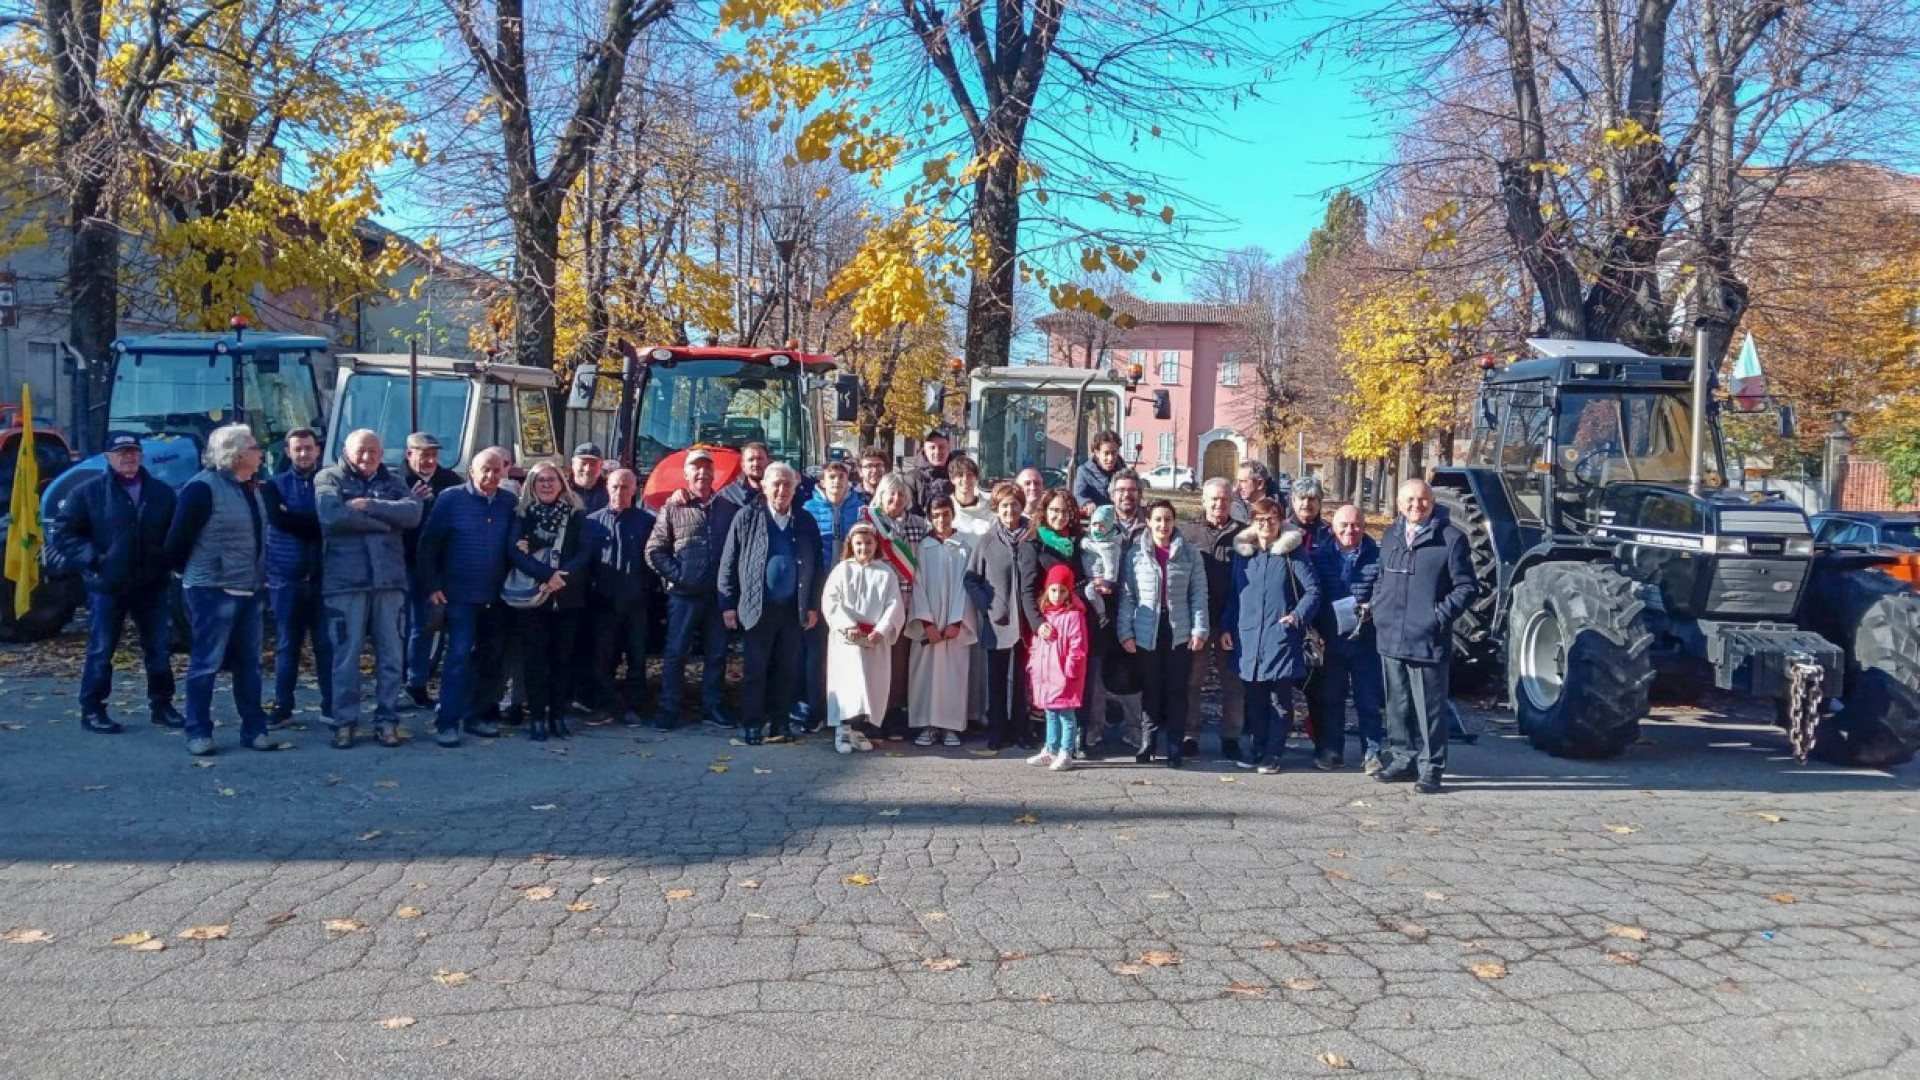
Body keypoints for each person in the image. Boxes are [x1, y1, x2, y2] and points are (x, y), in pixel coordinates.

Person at [47, 432, 180, 734]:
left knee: (159, 648)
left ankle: (162, 706)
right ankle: (92, 710)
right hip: (107, 585)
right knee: (102, 649)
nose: (128, 457)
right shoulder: (87, 493)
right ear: (108, 457)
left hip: (151, 585)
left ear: (142, 456)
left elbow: (177, 533)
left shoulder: (161, 493)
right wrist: (95, 558)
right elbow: (63, 534)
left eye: (133, 451)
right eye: (121, 452)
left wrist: (169, 562)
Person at [164, 424, 278, 756]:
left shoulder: (251, 487)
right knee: (206, 663)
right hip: (212, 591)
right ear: (237, 453)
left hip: (250, 588)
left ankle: (254, 729)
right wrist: (198, 575)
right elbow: (176, 543)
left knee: (250, 665)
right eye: (255, 447)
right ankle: (198, 731)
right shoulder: (201, 489)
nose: (260, 453)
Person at [316, 429, 422, 749]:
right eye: (361, 451)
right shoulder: (328, 478)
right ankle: (344, 721)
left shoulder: (392, 481)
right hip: (345, 582)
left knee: (391, 655)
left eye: (374, 451)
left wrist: (370, 505)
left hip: (389, 581)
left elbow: (414, 512)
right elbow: (332, 515)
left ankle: (387, 719)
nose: (368, 457)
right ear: (346, 451)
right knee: (346, 657)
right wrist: (387, 520)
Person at [1372, 479, 1479, 794]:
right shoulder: (1391, 536)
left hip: (1426, 639)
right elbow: (1381, 577)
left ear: (1432, 503)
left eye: (1422, 500)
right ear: (1399, 503)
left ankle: (1431, 767)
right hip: (1390, 635)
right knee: (1397, 705)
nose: (1416, 505)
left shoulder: (1450, 539)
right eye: (1409, 500)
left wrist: (1438, 616)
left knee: (1429, 709)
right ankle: (1402, 758)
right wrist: (1379, 608)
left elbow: (1467, 587)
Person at [415, 448, 518, 747]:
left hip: (495, 597)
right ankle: (447, 721)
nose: (490, 476)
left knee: (489, 659)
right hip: (458, 594)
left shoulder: (508, 502)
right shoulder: (450, 499)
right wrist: (433, 585)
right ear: (471, 471)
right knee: (457, 657)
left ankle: (476, 717)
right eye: (485, 469)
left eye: (497, 470)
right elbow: (428, 545)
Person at [719, 462, 823, 745]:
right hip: (756, 609)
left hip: (792, 610)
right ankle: (753, 724)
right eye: (776, 483)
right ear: (764, 486)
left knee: (786, 671)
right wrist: (727, 603)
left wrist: (813, 605)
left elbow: (817, 567)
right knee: (755, 670)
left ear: (795, 488)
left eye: (787, 484)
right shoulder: (746, 517)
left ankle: (780, 723)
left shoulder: (805, 521)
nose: (781, 489)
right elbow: (728, 562)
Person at [1222, 498, 1321, 773]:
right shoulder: (1243, 557)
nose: (1266, 524)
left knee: (1279, 701)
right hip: (1248, 637)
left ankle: (1273, 753)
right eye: (1260, 519)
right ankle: (1257, 748)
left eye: (1272, 519)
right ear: (1252, 523)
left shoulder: (1293, 554)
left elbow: (1313, 591)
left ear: (1280, 521)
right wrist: (1227, 627)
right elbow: (1234, 596)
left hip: (1280, 636)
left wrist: (1297, 617)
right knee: (1254, 698)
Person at [645, 448, 741, 730]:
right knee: (676, 652)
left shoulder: (728, 510)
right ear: (687, 474)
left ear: (714, 474)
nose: (702, 473)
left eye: (706, 469)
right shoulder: (673, 508)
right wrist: (680, 576)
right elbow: (654, 550)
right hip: (684, 595)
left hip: (718, 596)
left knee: (717, 654)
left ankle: (712, 707)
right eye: (696, 469)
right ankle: (669, 708)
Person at [1118, 499, 1207, 767]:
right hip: (1147, 629)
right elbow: (1128, 596)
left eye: (1168, 519)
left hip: (1178, 630)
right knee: (1151, 688)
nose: (1163, 525)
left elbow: (1198, 594)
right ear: (1148, 521)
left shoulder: (1190, 554)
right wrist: (1125, 631)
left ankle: (1174, 745)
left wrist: (1199, 629)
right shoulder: (1135, 554)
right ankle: (1148, 742)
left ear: (1174, 522)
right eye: (1158, 519)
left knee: (1177, 689)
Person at [259, 428, 331, 727]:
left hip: (323, 577)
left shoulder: (329, 483)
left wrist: (297, 519)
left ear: (317, 450)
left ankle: (331, 705)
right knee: (287, 645)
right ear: (288, 452)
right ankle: (283, 706)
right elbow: (279, 520)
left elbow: (332, 521)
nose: (304, 454)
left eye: (309, 448)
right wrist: (313, 522)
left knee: (326, 645)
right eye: (297, 449)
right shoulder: (273, 486)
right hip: (286, 578)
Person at [964, 482, 1041, 751]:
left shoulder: (1033, 539)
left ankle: (1022, 729)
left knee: (1023, 679)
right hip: (998, 621)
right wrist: (987, 606)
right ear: (997, 508)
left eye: (1015, 504)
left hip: (1026, 621)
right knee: (996, 679)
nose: (1011, 510)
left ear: (1022, 506)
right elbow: (971, 579)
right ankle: (997, 730)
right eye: (1005, 505)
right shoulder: (987, 541)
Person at [822, 521, 905, 753]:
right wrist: (847, 625)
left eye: (868, 543)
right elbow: (831, 601)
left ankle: (859, 729)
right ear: (851, 544)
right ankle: (843, 730)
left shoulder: (885, 573)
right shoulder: (842, 570)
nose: (863, 548)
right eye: (858, 544)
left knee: (869, 684)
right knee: (848, 682)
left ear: (876, 544)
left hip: (873, 639)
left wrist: (882, 629)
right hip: (848, 639)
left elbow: (894, 604)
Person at [1316, 503, 1384, 773]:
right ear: (1333, 527)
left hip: (1367, 641)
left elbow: (1385, 590)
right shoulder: (1320, 556)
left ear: (1364, 527)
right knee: (1332, 700)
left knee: (1368, 701)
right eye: (1343, 525)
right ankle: (1333, 751)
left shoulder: (1378, 557)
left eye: (1356, 525)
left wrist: (1373, 605)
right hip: (1332, 640)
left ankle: (1372, 753)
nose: (1350, 530)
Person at [799, 459, 866, 730]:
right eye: (831, 477)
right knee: (816, 654)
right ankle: (815, 708)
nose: (837, 482)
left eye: (841, 477)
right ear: (822, 481)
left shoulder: (860, 510)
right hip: (818, 590)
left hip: (851, 593)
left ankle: (849, 712)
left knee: (849, 653)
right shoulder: (808, 510)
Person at [585, 467, 655, 727]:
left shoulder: (646, 522)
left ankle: (633, 708)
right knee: (602, 658)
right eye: (615, 486)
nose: (619, 492)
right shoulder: (591, 522)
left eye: (625, 487)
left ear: (634, 490)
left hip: (637, 603)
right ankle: (604, 706)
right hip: (603, 602)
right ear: (607, 488)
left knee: (636, 659)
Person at [1183, 478, 1245, 763]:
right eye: (1214, 499)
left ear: (1231, 501)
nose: (1219, 504)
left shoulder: (1243, 535)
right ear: (1203, 501)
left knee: (1232, 683)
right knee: (1192, 681)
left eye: (1224, 499)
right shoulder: (1188, 533)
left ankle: (1231, 737)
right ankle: (1190, 735)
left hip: (1230, 621)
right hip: (1197, 620)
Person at [862, 474, 929, 739]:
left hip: (908, 602)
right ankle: (872, 714)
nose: (895, 499)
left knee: (900, 663)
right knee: (875, 662)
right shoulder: (868, 524)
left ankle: (895, 713)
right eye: (890, 494)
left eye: (901, 495)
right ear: (880, 495)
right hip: (876, 604)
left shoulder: (919, 525)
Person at [906, 496, 975, 746]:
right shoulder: (923, 547)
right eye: (936, 515)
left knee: (953, 675)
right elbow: (917, 584)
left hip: (954, 625)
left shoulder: (964, 547)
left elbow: (965, 587)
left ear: (952, 514)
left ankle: (950, 726)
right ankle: (927, 724)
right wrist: (926, 623)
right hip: (930, 624)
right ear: (929, 517)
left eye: (946, 514)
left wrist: (957, 621)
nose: (941, 520)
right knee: (925, 674)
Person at [401, 432, 459, 709]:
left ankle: (427, 679)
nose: (429, 460)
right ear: (409, 454)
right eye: (423, 455)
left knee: (439, 625)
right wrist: (411, 503)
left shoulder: (449, 481)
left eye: (434, 454)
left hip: (446, 564)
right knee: (419, 625)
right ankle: (415, 682)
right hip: (408, 565)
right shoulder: (397, 481)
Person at [1026, 563, 1089, 772]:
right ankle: (1051, 749)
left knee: (1066, 715)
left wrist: (1071, 669)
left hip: (1064, 675)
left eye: (1062, 590)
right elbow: (1037, 643)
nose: (1057, 595)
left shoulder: (1074, 616)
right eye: (1053, 590)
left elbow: (1078, 646)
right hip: (1046, 675)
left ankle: (1066, 751)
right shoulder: (1045, 616)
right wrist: (1033, 665)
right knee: (1050, 712)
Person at [946, 454, 994, 548]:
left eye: (969, 475)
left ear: (976, 478)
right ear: (952, 479)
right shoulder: (944, 509)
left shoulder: (990, 510)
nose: (965, 479)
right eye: (960, 475)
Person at [903, 427, 954, 514]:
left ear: (948, 449)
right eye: (932, 447)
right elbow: (909, 511)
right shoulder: (912, 479)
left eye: (941, 447)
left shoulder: (958, 476)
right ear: (925, 451)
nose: (937, 452)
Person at [1071, 430, 1125, 511]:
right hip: (1096, 518)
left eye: (1114, 453)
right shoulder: (1084, 471)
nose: (1110, 458)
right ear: (1097, 453)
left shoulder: (1123, 471)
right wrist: (1087, 503)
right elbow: (1078, 495)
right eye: (1106, 453)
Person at [718, 441, 770, 509]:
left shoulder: (780, 491)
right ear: (743, 465)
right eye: (751, 460)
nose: (756, 463)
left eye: (760, 459)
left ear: (768, 462)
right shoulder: (728, 495)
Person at [569, 442, 610, 514]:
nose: (587, 469)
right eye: (583, 463)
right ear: (573, 464)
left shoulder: (610, 491)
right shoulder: (561, 489)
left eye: (593, 464)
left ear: (601, 466)